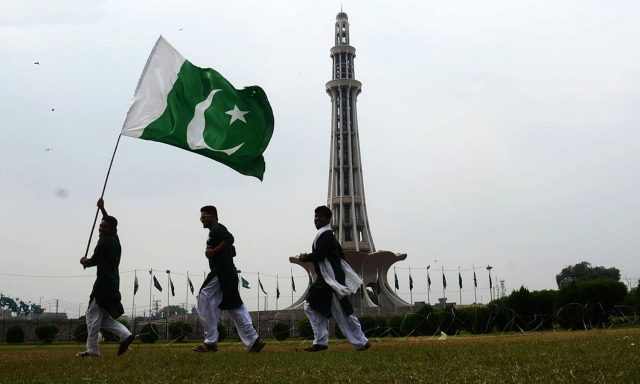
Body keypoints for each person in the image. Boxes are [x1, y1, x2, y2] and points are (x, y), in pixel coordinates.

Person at [290, 205, 370, 352]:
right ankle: (357, 341)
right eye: (315, 217)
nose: (316, 219)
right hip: (329, 278)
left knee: (332, 309)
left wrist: (304, 257)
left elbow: (320, 255)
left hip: (329, 279)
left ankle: (356, 341)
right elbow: (339, 254)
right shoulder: (328, 235)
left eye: (320, 217)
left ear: (328, 219)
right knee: (330, 309)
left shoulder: (325, 235)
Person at [192, 205, 265, 353]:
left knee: (203, 297)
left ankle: (211, 340)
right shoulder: (215, 231)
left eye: (204, 216)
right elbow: (232, 250)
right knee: (234, 306)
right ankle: (253, 340)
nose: (201, 219)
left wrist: (213, 252)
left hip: (222, 271)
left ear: (212, 216)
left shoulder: (217, 229)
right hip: (227, 271)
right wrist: (218, 251)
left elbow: (230, 239)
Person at [77, 198, 134, 357]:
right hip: (112, 282)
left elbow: (94, 261)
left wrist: (84, 261)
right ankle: (125, 334)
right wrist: (103, 209)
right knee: (102, 318)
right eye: (100, 226)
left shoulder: (103, 243)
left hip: (103, 283)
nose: (101, 229)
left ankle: (93, 351)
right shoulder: (115, 238)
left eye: (104, 227)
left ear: (111, 229)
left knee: (92, 317)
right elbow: (109, 221)